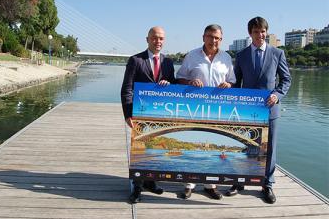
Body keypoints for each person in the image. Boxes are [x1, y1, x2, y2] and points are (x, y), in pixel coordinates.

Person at [226, 16, 291, 204]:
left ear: (266, 32)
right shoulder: (241, 55)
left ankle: (267, 184)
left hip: (270, 110)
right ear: (250, 34)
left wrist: (277, 95)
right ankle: (239, 181)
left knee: (269, 149)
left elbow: (286, 80)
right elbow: (236, 83)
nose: (260, 35)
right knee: (244, 145)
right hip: (246, 111)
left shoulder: (278, 53)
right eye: (256, 31)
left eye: (263, 31)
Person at [176, 24, 236, 200]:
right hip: (194, 109)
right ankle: (188, 184)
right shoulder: (191, 56)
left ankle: (210, 185)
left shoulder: (226, 58)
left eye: (217, 38)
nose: (213, 40)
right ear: (203, 37)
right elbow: (179, 79)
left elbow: (232, 81)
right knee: (193, 144)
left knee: (212, 148)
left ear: (221, 39)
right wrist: (190, 82)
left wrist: (228, 85)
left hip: (218, 111)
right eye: (210, 36)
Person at [121, 26, 175, 203]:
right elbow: (127, 89)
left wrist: (169, 84)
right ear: (147, 39)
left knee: (154, 149)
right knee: (140, 151)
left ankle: (151, 182)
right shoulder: (135, 60)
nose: (158, 41)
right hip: (140, 113)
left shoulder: (168, 62)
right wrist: (128, 114)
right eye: (154, 38)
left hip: (160, 114)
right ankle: (137, 187)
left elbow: (173, 87)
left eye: (161, 38)